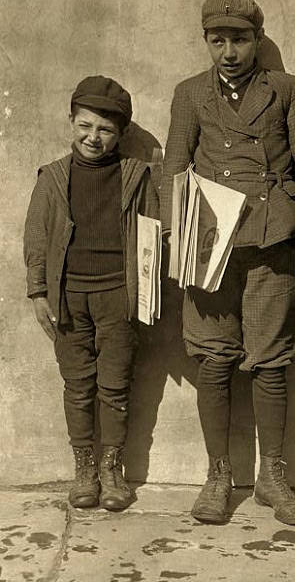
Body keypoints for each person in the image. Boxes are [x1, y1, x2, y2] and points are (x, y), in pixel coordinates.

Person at [161, 0, 295, 525]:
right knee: (214, 356)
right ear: (207, 42)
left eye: (239, 39)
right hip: (210, 246)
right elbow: (174, 168)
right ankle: (218, 475)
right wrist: (174, 235)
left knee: (270, 358)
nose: (229, 51)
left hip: (272, 240)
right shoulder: (189, 95)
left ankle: (273, 477)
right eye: (219, 40)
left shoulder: (284, 90)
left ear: (257, 40)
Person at [24, 75, 160, 511]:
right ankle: (84, 468)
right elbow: (36, 237)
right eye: (85, 126)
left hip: (118, 294)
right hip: (69, 298)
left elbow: (154, 236)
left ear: (120, 134)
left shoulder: (136, 176)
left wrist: (146, 294)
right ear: (71, 123)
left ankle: (110, 468)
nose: (93, 137)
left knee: (115, 386)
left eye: (104, 129)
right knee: (78, 384)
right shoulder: (54, 176)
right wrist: (38, 292)